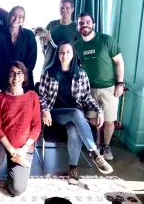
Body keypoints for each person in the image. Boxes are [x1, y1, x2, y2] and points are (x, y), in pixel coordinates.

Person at [38, 41, 113, 184]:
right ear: (57, 54)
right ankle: (94, 152)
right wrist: (45, 110)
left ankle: (73, 169)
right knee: (76, 113)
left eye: (68, 52)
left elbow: (86, 97)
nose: (64, 55)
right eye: (61, 52)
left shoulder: (81, 74)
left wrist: (99, 111)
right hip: (54, 114)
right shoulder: (49, 72)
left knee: (74, 128)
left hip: (74, 117)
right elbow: (41, 95)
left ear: (73, 54)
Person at [0, 61, 41, 196]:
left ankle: (13, 167)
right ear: (8, 77)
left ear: (25, 76)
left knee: (17, 190)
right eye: (12, 73)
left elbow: (36, 126)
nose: (16, 77)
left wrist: (24, 149)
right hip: (3, 143)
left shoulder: (33, 96)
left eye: (19, 73)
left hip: (23, 147)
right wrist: (12, 150)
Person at [75, 12, 125, 160]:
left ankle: (106, 145)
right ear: (78, 27)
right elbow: (77, 67)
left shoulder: (106, 40)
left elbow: (119, 62)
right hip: (89, 90)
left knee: (109, 121)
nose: (84, 25)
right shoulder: (77, 45)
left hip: (109, 88)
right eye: (81, 23)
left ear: (93, 24)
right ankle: (96, 144)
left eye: (87, 22)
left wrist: (120, 83)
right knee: (93, 119)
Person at [0, 6, 37, 91]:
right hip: (3, 81)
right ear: (9, 16)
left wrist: (18, 78)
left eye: (20, 17)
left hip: (24, 82)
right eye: (14, 15)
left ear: (23, 19)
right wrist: (10, 77)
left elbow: (30, 63)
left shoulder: (29, 35)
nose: (16, 18)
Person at [42, 0, 81, 72]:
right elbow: (44, 47)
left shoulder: (76, 28)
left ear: (72, 9)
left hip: (67, 68)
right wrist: (45, 43)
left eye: (67, 8)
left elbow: (79, 51)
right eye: (62, 8)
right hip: (50, 66)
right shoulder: (51, 25)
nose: (64, 10)